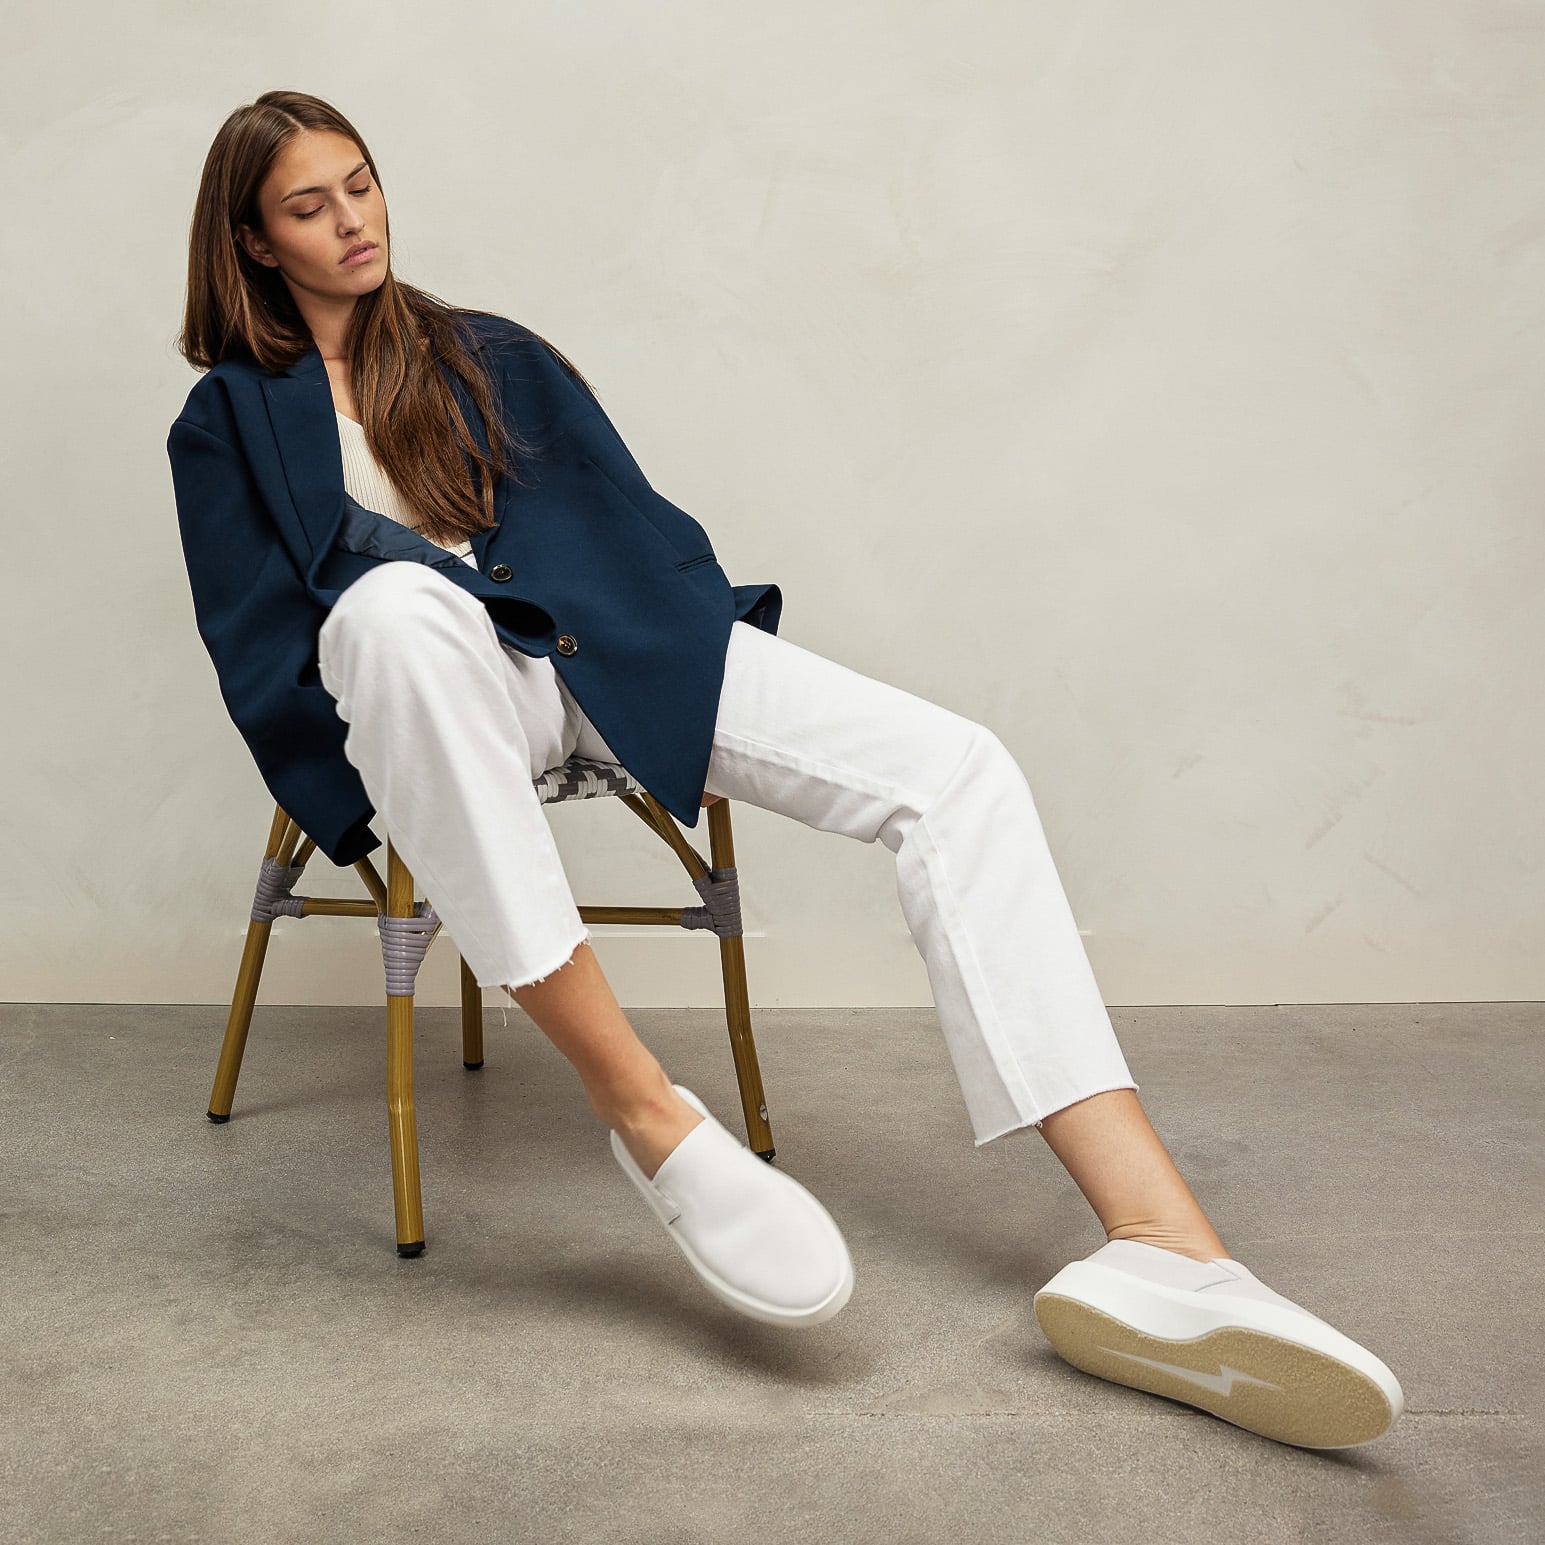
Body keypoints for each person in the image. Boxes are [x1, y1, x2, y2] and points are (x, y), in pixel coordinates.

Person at [167, 89, 1404, 1450]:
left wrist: (692, 650)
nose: (352, 221)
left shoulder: (486, 354)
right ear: (252, 240)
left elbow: (628, 529)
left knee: (959, 769)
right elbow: (260, 641)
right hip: (434, 698)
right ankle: (645, 1111)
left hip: (611, 655)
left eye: (362, 184)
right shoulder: (227, 421)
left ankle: (1163, 1245)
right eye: (308, 204)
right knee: (392, 617)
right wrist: (363, 772)